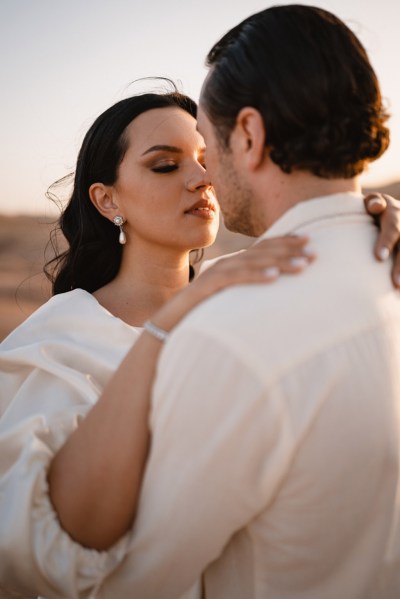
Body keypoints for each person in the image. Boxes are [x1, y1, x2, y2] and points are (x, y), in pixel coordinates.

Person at [0, 46, 398, 599]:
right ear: (107, 199)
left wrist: (365, 219)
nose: (199, 178)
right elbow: (30, 550)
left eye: (207, 159)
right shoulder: (58, 337)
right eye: (166, 165)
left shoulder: (251, 283)